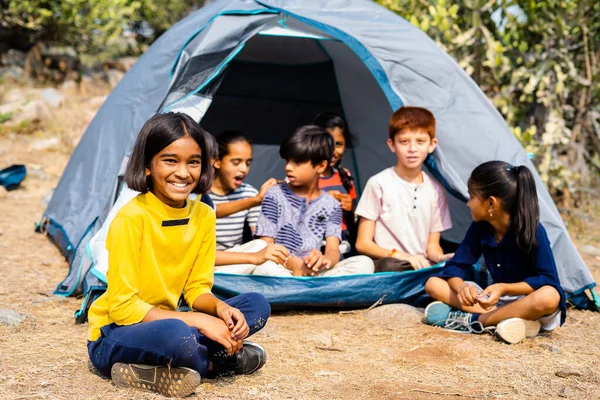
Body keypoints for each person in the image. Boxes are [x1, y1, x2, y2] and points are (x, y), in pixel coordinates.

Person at [86, 113, 270, 398]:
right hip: (117, 332)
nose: (183, 173)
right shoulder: (131, 218)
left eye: (193, 162)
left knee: (256, 305)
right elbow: (123, 309)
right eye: (170, 160)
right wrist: (198, 321)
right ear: (147, 165)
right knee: (177, 335)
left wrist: (219, 310)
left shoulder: (204, 215)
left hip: (173, 320)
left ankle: (183, 362)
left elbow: (197, 288)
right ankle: (214, 361)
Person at [423, 161, 565, 345]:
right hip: (493, 300)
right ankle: (517, 323)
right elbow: (456, 265)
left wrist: (504, 288)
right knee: (433, 283)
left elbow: (547, 279)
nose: (468, 203)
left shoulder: (533, 230)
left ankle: (475, 321)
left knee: (550, 296)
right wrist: (461, 288)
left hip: (526, 300)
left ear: (491, 203)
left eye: (472, 196)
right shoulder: (480, 227)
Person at [253, 125, 374, 277]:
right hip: (282, 268)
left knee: (364, 264)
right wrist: (293, 263)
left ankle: (309, 289)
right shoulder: (274, 194)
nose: (289, 167)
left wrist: (324, 261)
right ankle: (315, 292)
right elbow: (266, 245)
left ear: (321, 166)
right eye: (287, 161)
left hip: (314, 271)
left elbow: (332, 250)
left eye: (297, 162)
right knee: (265, 269)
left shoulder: (332, 204)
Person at [354, 106, 453, 272]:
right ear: (392, 145)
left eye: (420, 141)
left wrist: (442, 258)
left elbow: (432, 248)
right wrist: (400, 255)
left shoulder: (436, 191)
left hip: (421, 266)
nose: (412, 149)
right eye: (404, 142)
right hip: (389, 265)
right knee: (389, 266)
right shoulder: (378, 183)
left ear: (432, 145)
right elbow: (362, 243)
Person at [209, 130, 288, 275]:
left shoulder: (248, 193)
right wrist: (255, 200)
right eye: (236, 162)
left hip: (237, 261)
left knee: (264, 249)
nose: (244, 169)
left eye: (248, 163)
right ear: (217, 161)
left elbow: (262, 240)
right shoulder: (200, 193)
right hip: (206, 261)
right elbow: (211, 210)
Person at [314, 113, 358, 248]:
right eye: (327, 144)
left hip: (343, 244)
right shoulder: (304, 176)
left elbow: (354, 221)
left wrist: (350, 209)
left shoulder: (345, 175)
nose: (333, 151)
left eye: (338, 144)